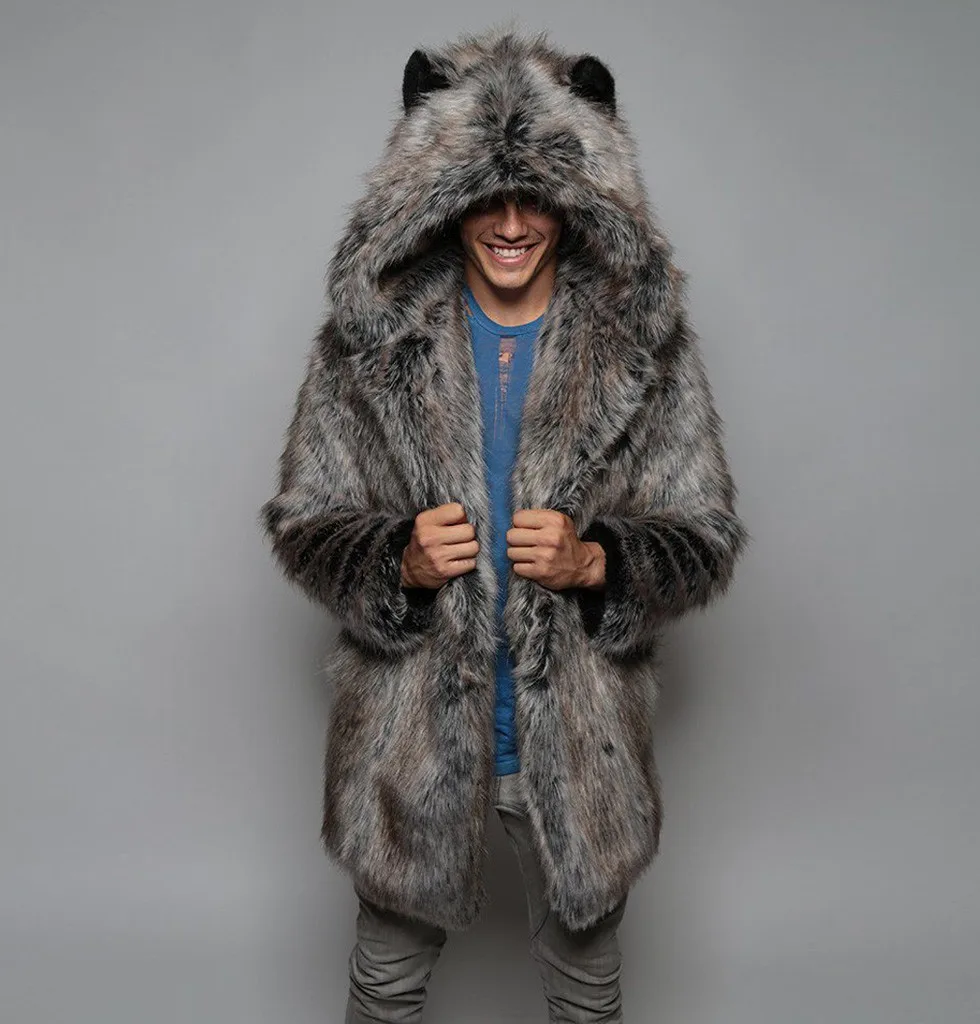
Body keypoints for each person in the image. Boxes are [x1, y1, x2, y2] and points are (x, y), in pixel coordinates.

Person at [259, 26, 749, 1024]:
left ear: (577, 205)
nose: (513, 223)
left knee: (586, 989)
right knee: (384, 982)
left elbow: (702, 534)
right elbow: (307, 520)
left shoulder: (642, 347)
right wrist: (395, 560)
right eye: (487, 196)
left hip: (576, 738)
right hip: (408, 731)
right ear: (444, 203)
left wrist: (598, 563)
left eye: (539, 198)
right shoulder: (370, 342)